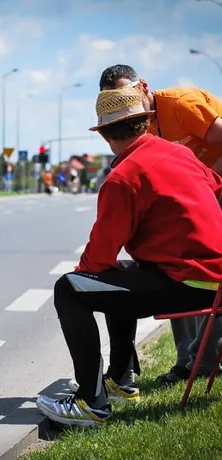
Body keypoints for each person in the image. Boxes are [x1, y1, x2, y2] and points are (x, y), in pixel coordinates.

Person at [36, 85, 222, 426]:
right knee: (109, 277)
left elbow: (98, 255)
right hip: (214, 279)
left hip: (187, 283)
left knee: (71, 289)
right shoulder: (180, 154)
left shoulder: (123, 178)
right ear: (146, 121)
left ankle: (91, 404)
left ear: (105, 134)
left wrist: (87, 275)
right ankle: (120, 380)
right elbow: (216, 186)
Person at [99, 64, 222, 386]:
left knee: (209, 275)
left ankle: (204, 360)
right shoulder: (138, 126)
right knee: (166, 265)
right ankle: (187, 361)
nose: (125, 105)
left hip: (212, 192)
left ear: (144, 87)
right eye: (116, 100)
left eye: (129, 94)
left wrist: (210, 182)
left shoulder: (181, 104)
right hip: (196, 195)